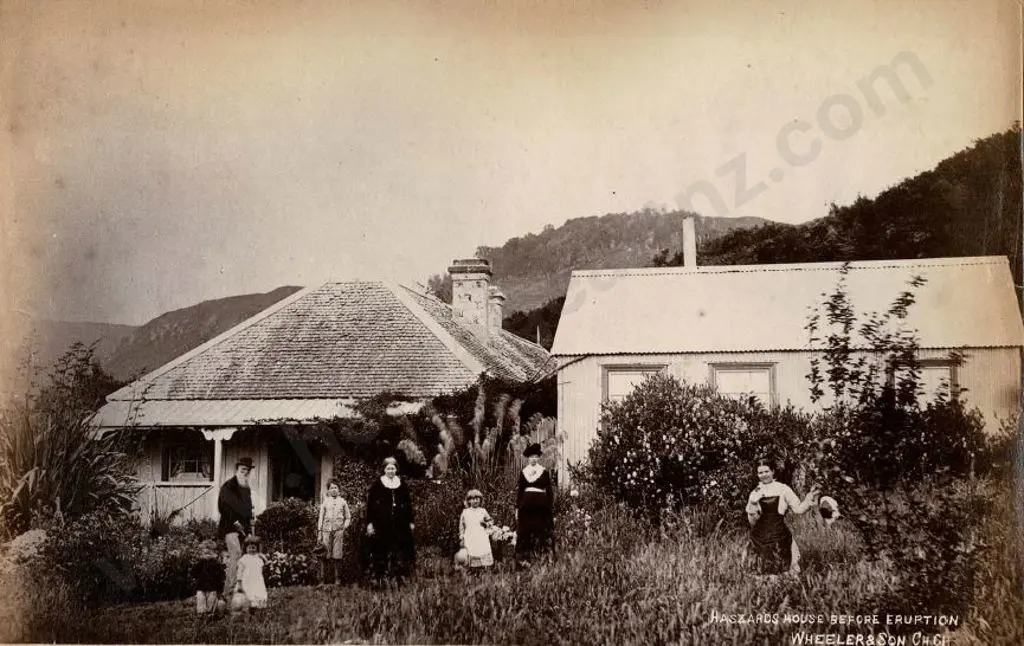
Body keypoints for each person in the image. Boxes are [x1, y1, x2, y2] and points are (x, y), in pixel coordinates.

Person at [745, 461, 819, 576]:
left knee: (782, 570)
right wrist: (753, 504)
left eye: (766, 471)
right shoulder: (755, 492)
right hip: (759, 537)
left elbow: (798, 509)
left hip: (779, 534)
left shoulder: (783, 489)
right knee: (760, 571)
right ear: (757, 474)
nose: (764, 475)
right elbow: (752, 522)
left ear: (773, 472)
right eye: (760, 472)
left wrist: (809, 498)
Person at [364, 457, 416, 584]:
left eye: (393, 468)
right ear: (384, 469)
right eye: (388, 468)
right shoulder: (378, 484)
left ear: (396, 469)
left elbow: (408, 504)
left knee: (399, 550)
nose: (391, 471)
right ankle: (379, 579)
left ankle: (398, 578)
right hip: (382, 523)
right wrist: (370, 523)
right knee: (380, 550)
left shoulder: (402, 484)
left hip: (400, 523)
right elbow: (370, 505)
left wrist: (410, 521)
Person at [218, 457, 255, 595]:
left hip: (243, 529)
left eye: (248, 470)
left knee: (244, 557)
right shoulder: (228, 486)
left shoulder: (245, 488)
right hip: (230, 527)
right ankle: (227, 591)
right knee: (236, 555)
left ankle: (240, 589)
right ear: (237, 470)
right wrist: (235, 522)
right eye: (243, 469)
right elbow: (223, 506)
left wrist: (250, 524)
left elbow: (248, 509)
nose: (245, 472)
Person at [515, 443, 555, 566]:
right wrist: (517, 507)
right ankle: (523, 560)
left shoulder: (543, 472)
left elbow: (549, 491)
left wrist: (550, 507)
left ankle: (544, 558)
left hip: (540, 506)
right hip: (526, 506)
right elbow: (520, 490)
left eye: (536, 457)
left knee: (542, 531)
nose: (533, 459)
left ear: (539, 458)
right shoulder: (524, 472)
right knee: (524, 531)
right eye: (531, 457)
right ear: (528, 458)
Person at [317, 479, 352, 584]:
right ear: (328, 490)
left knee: (337, 555)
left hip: (338, 532)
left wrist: (343, 527)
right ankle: (322, 580)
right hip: (326, 531)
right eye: (331, 488)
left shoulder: (343, 502)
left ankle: (337, 579)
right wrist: (319, 532)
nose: (333, 490)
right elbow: (321, 517)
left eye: (336, 487)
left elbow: (348, 517)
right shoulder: (325, 502)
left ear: (339, 489)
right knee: (323, 555)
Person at [459, 489, 495, 571]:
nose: (475, 501)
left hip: (481, 535)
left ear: (480, 500)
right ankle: (472, 569)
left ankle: (483, 569)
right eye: (472, 499)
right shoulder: (465, 512)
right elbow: (461, 526)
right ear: (468, 501)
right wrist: (461, 536)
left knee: (482, 550)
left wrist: (486, 524)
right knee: (472, 550)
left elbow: (491, 521)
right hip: (470, 535)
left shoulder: (483, 511)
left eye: (477, 498)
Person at [234, 534, 268, 611]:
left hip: (257, 580)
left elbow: (266, 563)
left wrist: (262, 556)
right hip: (247, 580)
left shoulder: (258, 558)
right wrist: (239, 582)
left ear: (257, 548)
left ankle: (256, 606)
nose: (251, 549)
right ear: (245, 549)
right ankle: (247, 606)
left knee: (258, 592)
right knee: (248, 593)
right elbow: (240, 571)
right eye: (249, 548)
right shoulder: (244, 558)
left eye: (253, 548)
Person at [192, 539, 226, 616]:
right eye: (205, 550)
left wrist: (220, 587)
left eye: (209, 549)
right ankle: (201, 613)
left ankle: (210, 614)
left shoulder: (216, 563)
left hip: (212, 586)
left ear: (214, 552)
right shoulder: (200, 563)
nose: (207, 551)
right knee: (201, 599)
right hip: (201, 586)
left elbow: (221, 576)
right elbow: (194, 573)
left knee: (211, 600)